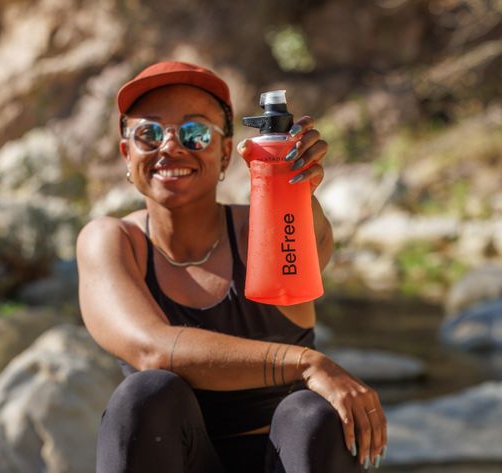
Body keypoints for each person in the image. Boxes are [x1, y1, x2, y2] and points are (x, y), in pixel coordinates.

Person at [77, 61, 387, 473]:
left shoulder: (263, 225)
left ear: (225, 152)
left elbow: (312, 244)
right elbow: (151, 349)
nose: (170, 147)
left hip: (286, 458)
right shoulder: (113, 242)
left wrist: (296, 189)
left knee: (311, 413)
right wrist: (307, 362)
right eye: (148, 133)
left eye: (195, 132)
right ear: (126, 154)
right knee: (147, 393)